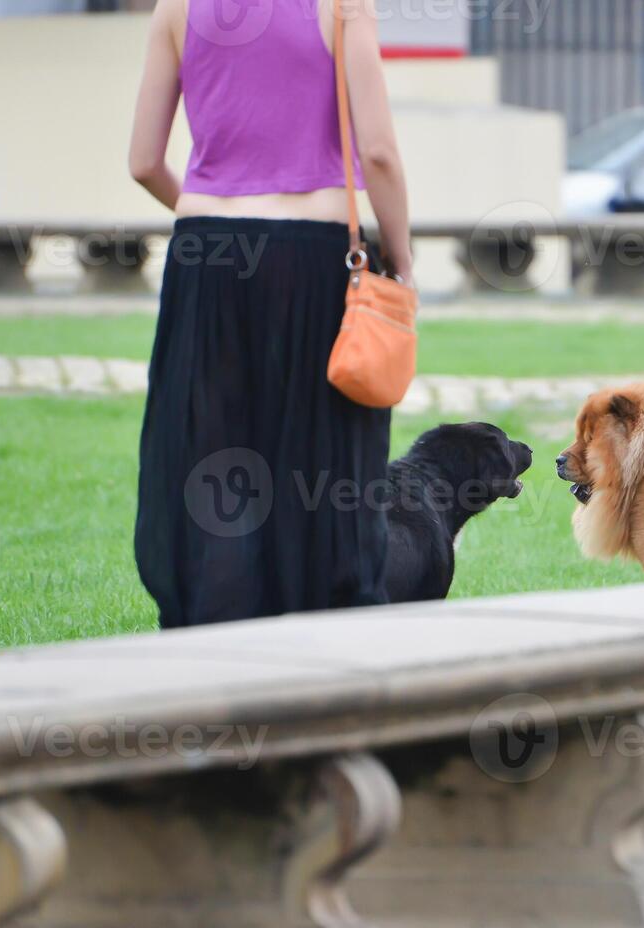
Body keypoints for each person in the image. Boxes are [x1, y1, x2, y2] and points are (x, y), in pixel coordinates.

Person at [127, 0, 414, 626]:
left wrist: (217, 213)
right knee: (325, 453)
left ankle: (217, 624)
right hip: (310, 254)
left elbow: (143, 161)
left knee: (213, 446)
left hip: (205, 256)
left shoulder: (174, 8)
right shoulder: (343, 7)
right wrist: (402, 255)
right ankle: (321, 631)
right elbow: (380, 153)